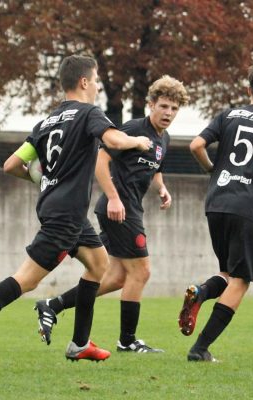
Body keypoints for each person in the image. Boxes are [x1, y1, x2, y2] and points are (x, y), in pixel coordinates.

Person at [0, 55, 152, 368]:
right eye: (95, 81)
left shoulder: (47, 122)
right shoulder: (88, 113)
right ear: (84, 82)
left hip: (59, 209)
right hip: (66, 215)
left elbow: (12, 165)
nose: (96, 87)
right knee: (26, 280)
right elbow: (113, 139)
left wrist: (44, 180)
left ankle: (80, 343)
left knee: (98, 264)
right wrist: (137, 140)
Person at [32, 76, 190, 353]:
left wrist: (162, 187)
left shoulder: (164, 139)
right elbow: (100, 160)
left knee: (117, 277)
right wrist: (114, 199)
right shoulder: (132, 128)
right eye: (163, 106)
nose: (168, 113)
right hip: (119, 209)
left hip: (129, 208)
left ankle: (53, 305)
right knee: (142, 272)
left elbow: (155, 166)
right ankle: (127, 341)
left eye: (174, 109)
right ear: (151, 104)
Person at [178, 63, 253, 362]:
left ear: (248, 89)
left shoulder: (228, 115)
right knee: (241, 280)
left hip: (216, 201)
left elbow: (196, 145)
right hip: (247, 206)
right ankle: (200, 348)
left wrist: (211, 170)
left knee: (228, 271)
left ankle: (202, 292)